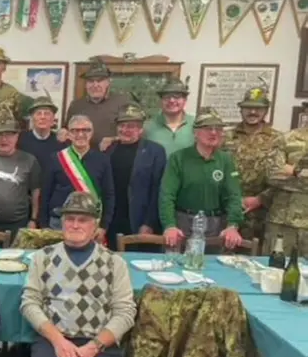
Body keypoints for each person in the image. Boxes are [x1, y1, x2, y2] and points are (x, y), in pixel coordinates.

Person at [21, 192, 136, 357]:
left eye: (82, 220)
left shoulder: (115, 263)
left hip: (98, 340)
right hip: (54, 337)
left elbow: (125, 312)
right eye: (70, 219)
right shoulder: (42, 258)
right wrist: (58, 341)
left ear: (95, 226)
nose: (75, 225)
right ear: (62, 222)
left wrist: (94, 347)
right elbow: (29, 303)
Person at [159, 107, 244, 249]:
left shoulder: (225, 160)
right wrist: (169, 225)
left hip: (215, 225)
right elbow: (167, 195)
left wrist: (232, 225)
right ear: (195, 132)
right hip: (182, 224)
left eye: (218, 129)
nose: (214, 133)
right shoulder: (178, 158)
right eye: (208, 128)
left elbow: (233, 195)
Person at [222, 84, 286, 242]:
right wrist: (232, 199)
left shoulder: (278, 139)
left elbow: (282, 176)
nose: (252, 112)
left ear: (266, 110)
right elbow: (215, 170)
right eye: (248, 107)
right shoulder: (225, 137)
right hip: (227, 209)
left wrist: (260, 199)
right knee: (222, 252)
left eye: (258, 108)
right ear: (241, 109)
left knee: (257, 254)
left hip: (262, 212)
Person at [39, 115, 114, 240]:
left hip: (90, 222)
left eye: (85, 130)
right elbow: (45, 193)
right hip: (58, 222)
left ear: (92, 133)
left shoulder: (102, 160)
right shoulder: (56, 158)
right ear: (68, 134)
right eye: (75, 130)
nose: (80, 134)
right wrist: (44, 225)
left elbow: (109, 195)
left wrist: (104, 226)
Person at [103, 102, 166, 246]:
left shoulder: (155, 151)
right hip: (112, 220)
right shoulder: (108, 149)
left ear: (141, 129)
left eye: (131, 126)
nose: (125, 130)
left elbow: (158, 190)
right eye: (122, 125)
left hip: (140, 221)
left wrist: (149, 223)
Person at [266, 113, 308, 255]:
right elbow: (272, 175)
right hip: (283, 221)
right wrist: (299, 173)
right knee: (274, 266)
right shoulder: (286, 139)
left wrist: (292, 171)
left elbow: (282, 173)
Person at [61, 60, 128, 147]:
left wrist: (114, 139)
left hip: (114, 153)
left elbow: (134, 133)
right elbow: (67, 130)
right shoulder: (76, 105)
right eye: (91, 81)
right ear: (86, 84)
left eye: (99, 81)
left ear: (107, 83)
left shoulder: (122, 102)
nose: (95, 85)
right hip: (82, 154)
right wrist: (62, 132)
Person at [143, 77, 196, 156]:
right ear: (161, 100)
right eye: (167, 96)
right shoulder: (147, 126)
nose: (171, 100)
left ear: (185, 100)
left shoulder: (196, 125)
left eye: (177, 96)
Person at [17, 95, 67, 175]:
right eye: (38, 113)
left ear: (53, 118)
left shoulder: (61, 142)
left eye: (47, 113)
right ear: (32, 118)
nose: (43, 117)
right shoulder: (20, 140)